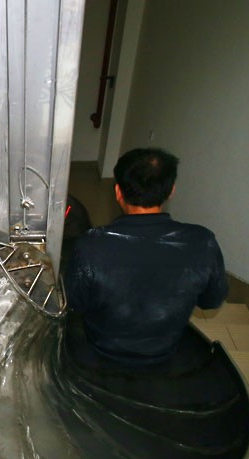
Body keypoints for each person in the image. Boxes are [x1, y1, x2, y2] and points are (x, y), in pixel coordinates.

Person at [63, 148, 228, 365]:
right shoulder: (203, 242)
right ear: (171, 191)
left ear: (118, 192)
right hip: (165, 350)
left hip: (101, 348)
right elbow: (212, 301)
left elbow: (73, 304)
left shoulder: (90, 245)